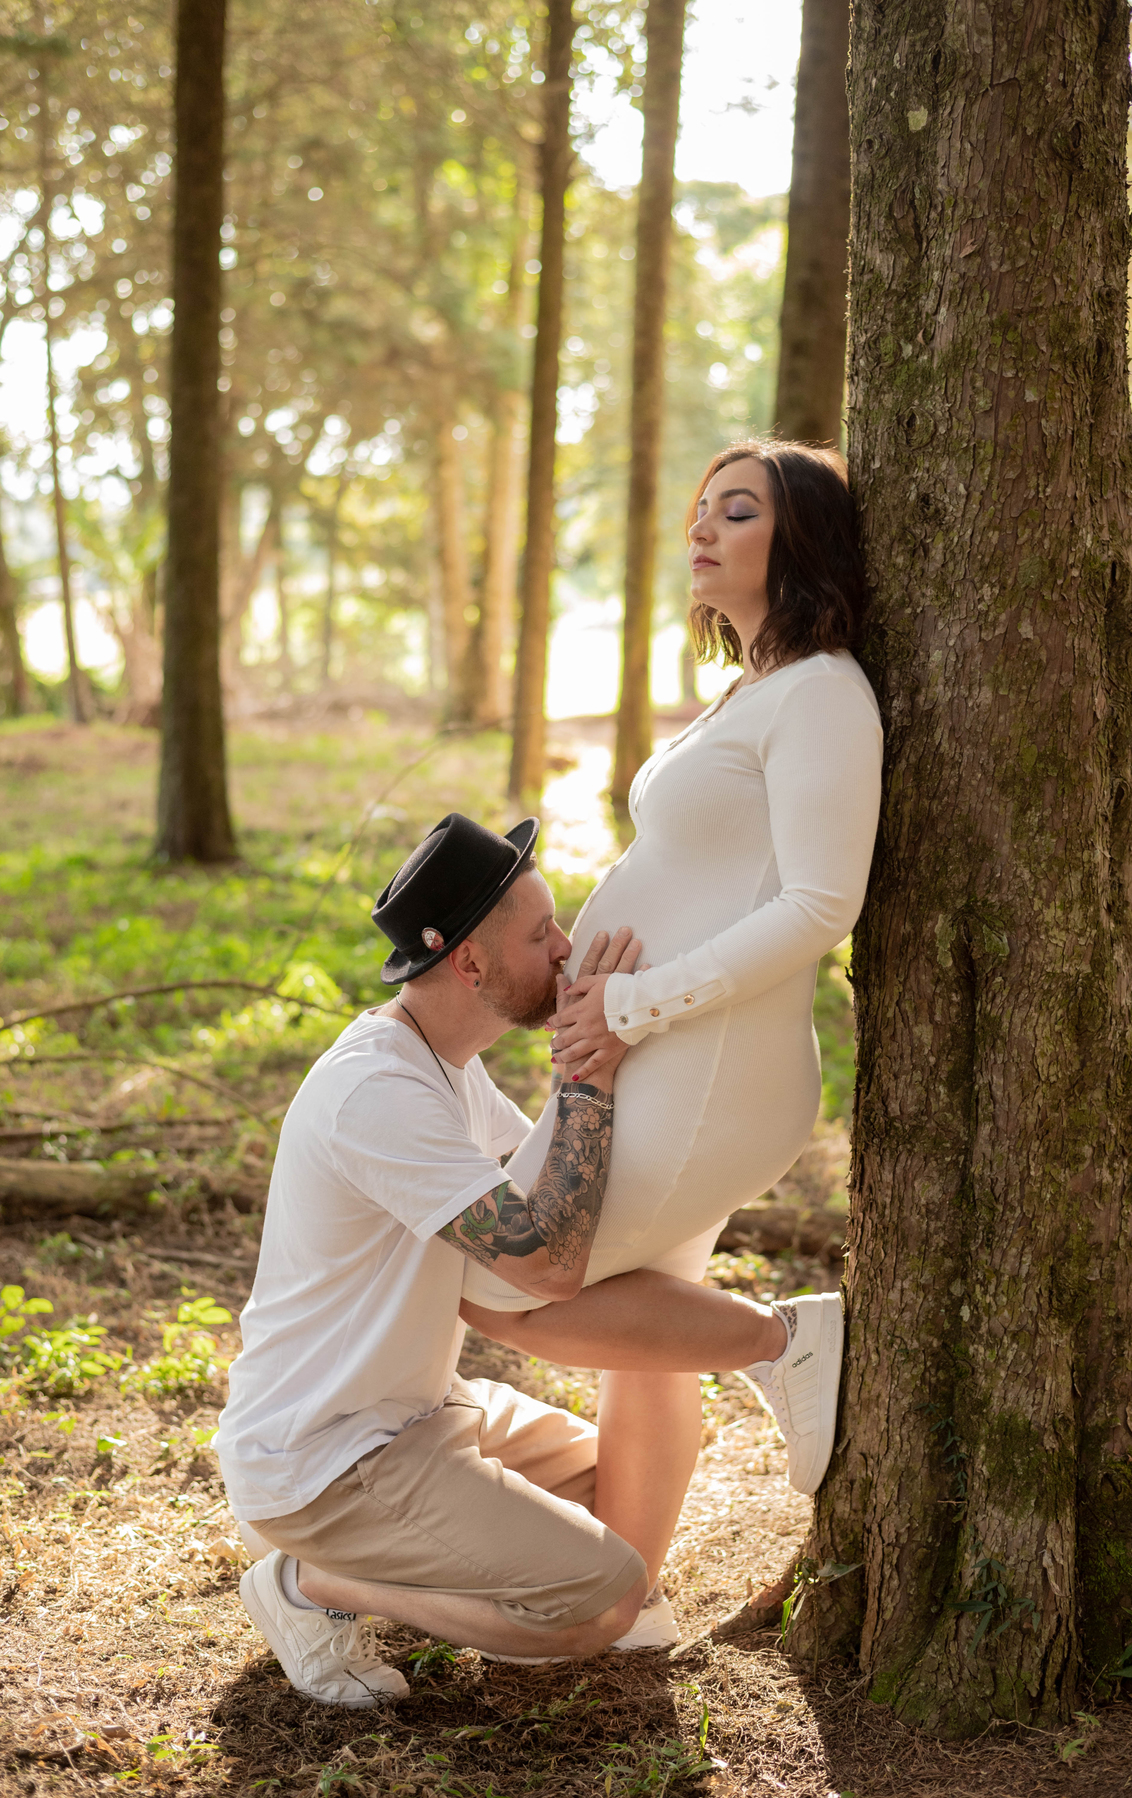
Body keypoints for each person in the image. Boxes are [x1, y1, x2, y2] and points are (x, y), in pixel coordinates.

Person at [216, 813, 822, 1707]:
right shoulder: (377, 1094)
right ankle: (309, 1584)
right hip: (329, 1463)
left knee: (627, 1493)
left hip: (425, 1411)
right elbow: (546, 1265)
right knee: (604, 1600)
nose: (566, 947)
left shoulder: (446, 1069)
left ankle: (782, 1353)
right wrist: (587, 1072)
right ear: (469, 964)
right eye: (542, 934)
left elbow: (561, 1187)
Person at [459, 439, 883, 1636]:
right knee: (640, 1328)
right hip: (648, 1054)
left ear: (799, 539)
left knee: (499, 1279)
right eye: (700, 509)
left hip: (704, 1064)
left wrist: (633, 1006)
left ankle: (782, 1340)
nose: (701, 529)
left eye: (735, 511)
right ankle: (627, 1598)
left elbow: (821, 904)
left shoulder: (824, 693)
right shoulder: (754, 688)